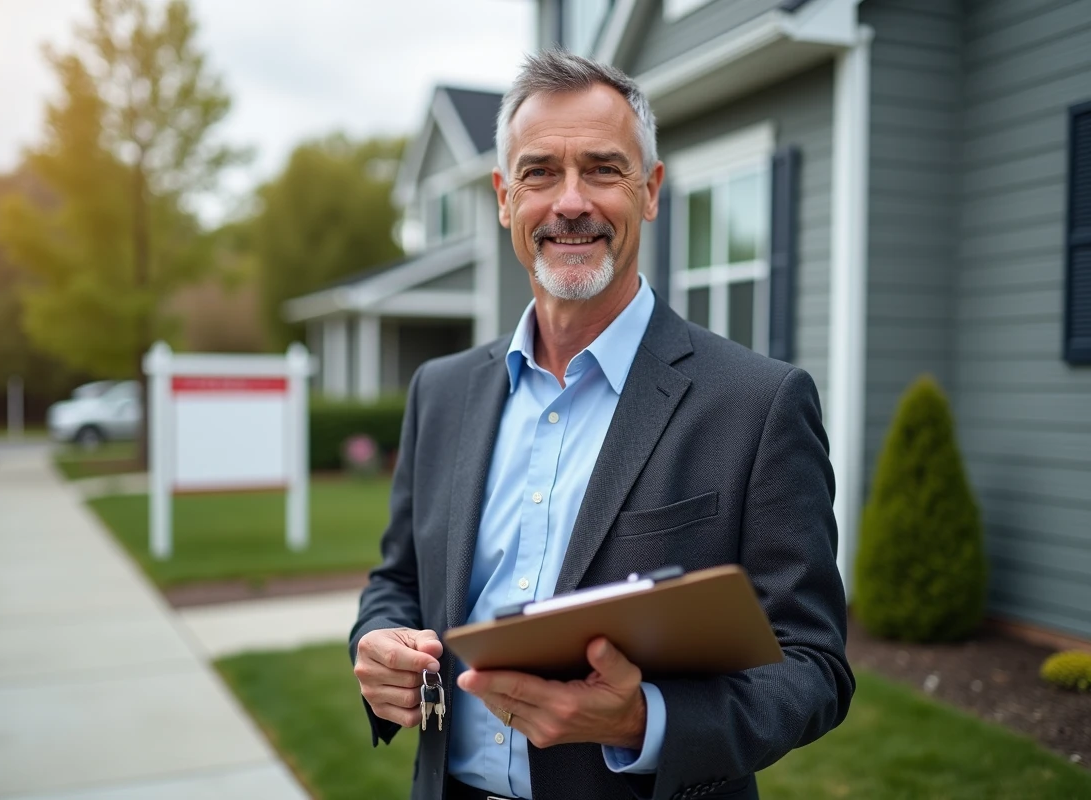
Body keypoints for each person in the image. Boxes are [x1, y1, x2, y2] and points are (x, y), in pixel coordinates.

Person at [350, 48, 853, 800]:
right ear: (503, 197)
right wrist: (378, 643)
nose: (571, 201)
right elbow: (399, 580)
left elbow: (812, 666)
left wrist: (641, 720)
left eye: (603, 169)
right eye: (540, 172)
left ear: (650, 191)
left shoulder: (758, 404)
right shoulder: (442, 391)